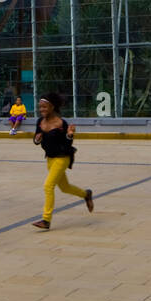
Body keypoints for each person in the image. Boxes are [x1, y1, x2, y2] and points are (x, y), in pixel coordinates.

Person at [31, 92, 93, 230]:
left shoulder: (61, 123)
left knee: (48, 186)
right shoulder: (40, 122)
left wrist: (70, 135)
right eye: (40, 107)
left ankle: (46, 220)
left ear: (52, 107)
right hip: (50, 159)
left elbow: (67, 144)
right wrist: (37, 139)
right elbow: (36, 139)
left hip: (62, 158)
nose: (42, 110)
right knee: (64, 187)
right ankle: (86, 194)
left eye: (44, 107)